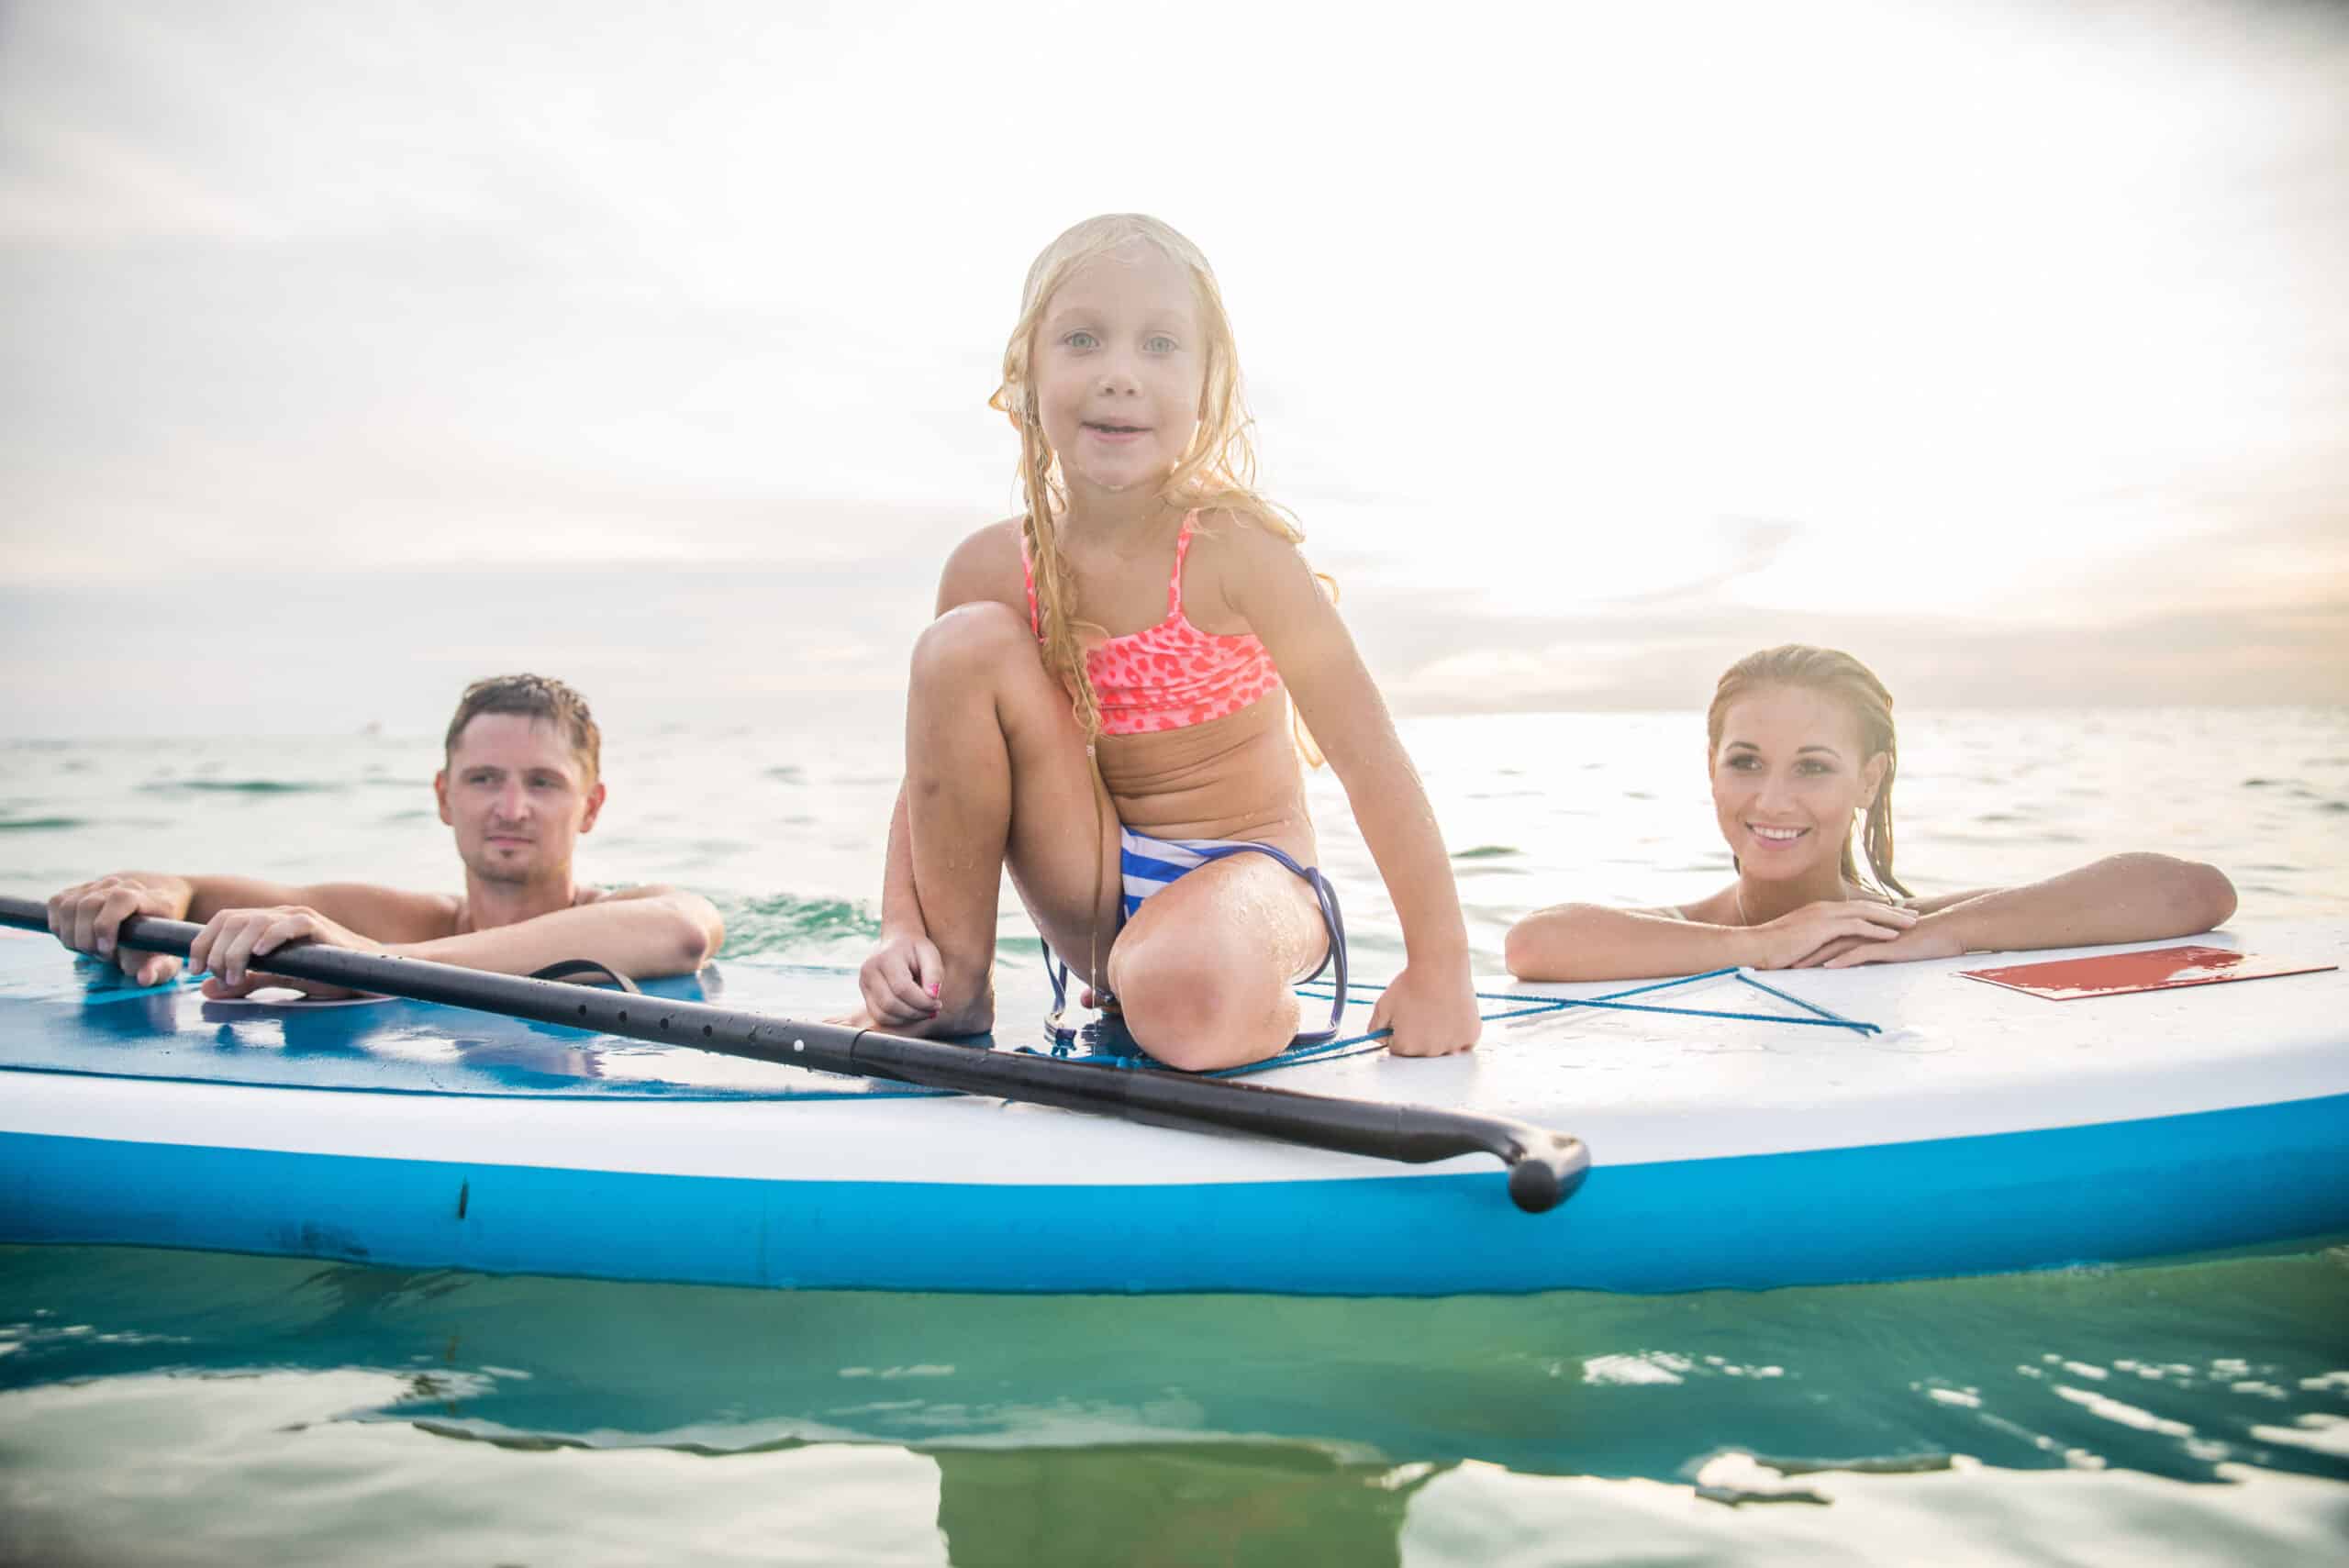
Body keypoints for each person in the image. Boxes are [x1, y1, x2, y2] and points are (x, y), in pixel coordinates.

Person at [847, 213, 1479, 1069]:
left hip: (1253, 880)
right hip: (1094, 886)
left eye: (1158, 345)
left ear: (1208, 384)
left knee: (1178, 986)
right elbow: (931, 777)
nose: (1119, 376)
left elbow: (1371, 758)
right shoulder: (994, 566)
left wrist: (1440, 967)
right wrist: (900, 927)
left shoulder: (1238, 550)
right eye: (1081, 340)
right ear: (1026, 377)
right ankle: (954, 984)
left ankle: (1238, 1000)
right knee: (959, 646)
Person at [1505, 644, 2237, 983]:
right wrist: (1762, 944)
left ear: (1869, 779)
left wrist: (1942, 936)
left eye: (1814, 767)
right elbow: (1534, 945)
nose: (1772, 799)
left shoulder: (1901, 928)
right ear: (1710, 766)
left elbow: (2197, 891)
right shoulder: (1690, 928)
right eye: (1746, 760)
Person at [46, 673, 724, 998]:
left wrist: (372, 965)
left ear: (591, 806)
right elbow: (197, 891)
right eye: (485, 778)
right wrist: (147, 891)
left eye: (542, 783)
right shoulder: (406, 918)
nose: (511, 808)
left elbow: (685, 930)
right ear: (443, 796)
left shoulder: (618, 911)